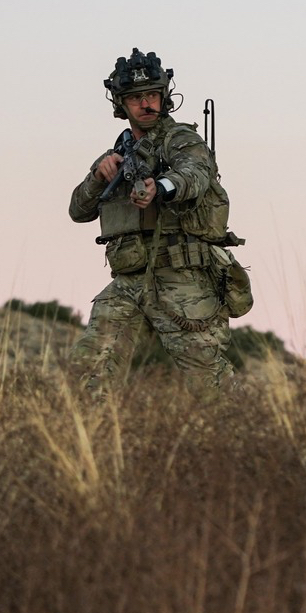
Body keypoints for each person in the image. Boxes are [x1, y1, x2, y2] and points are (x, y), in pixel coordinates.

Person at [67, 49, 252, 397]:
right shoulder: (118, 153)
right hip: (129, 281)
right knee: (88, 370)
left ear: (164, 97)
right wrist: (97, 176)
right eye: (136, 98)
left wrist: (161, 187)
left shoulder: (180, 138)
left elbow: (194, 173)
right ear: (121, 105)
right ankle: (91, 443)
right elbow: (78, 210)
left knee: (211, 384)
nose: (146, 104)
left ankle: (247, 446)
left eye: (152, 95)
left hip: (181, 278)